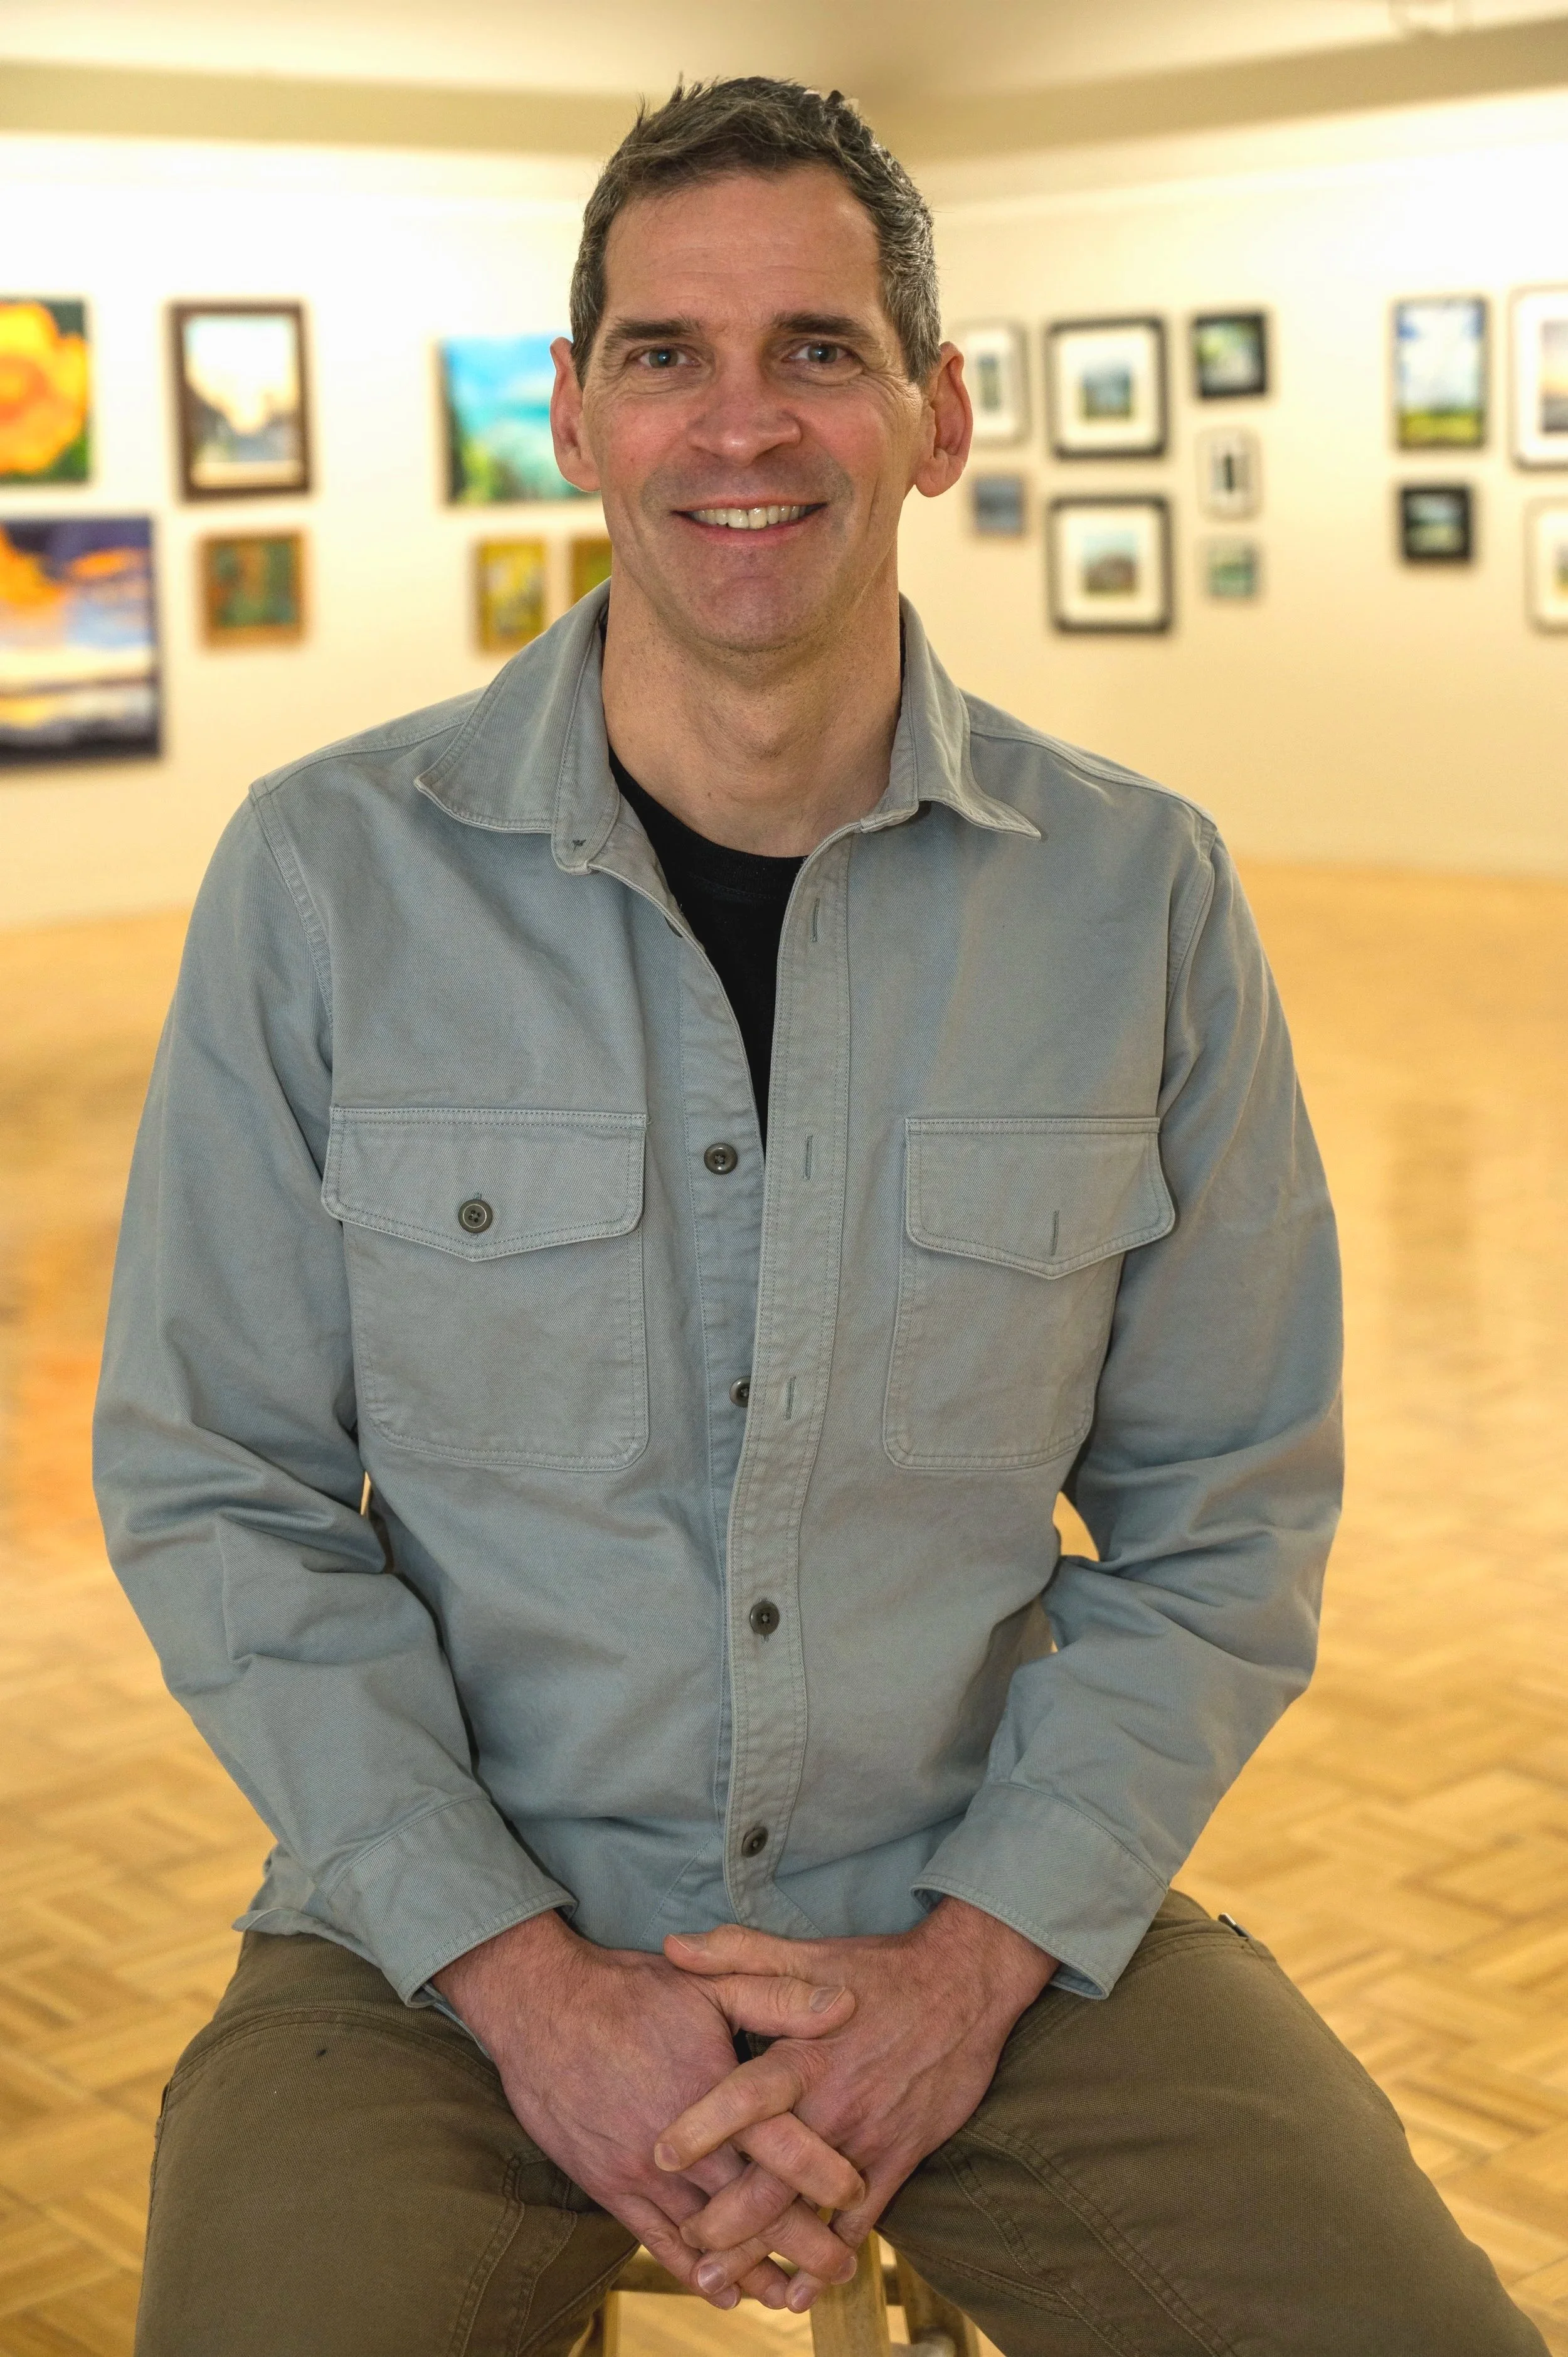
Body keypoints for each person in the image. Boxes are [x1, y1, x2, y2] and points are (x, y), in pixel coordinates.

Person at [94, 74, 1543, 2357]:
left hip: (984, 1922)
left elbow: (1221, 1513)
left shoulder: (1135, 898)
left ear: (939, 414)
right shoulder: (320, 879)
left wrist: (968, 1970)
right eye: (664, 353)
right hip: (447, 1942)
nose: (737, 421)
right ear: (568, 418)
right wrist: (515, 1973)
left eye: (818, 350)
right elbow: (218, 1485)